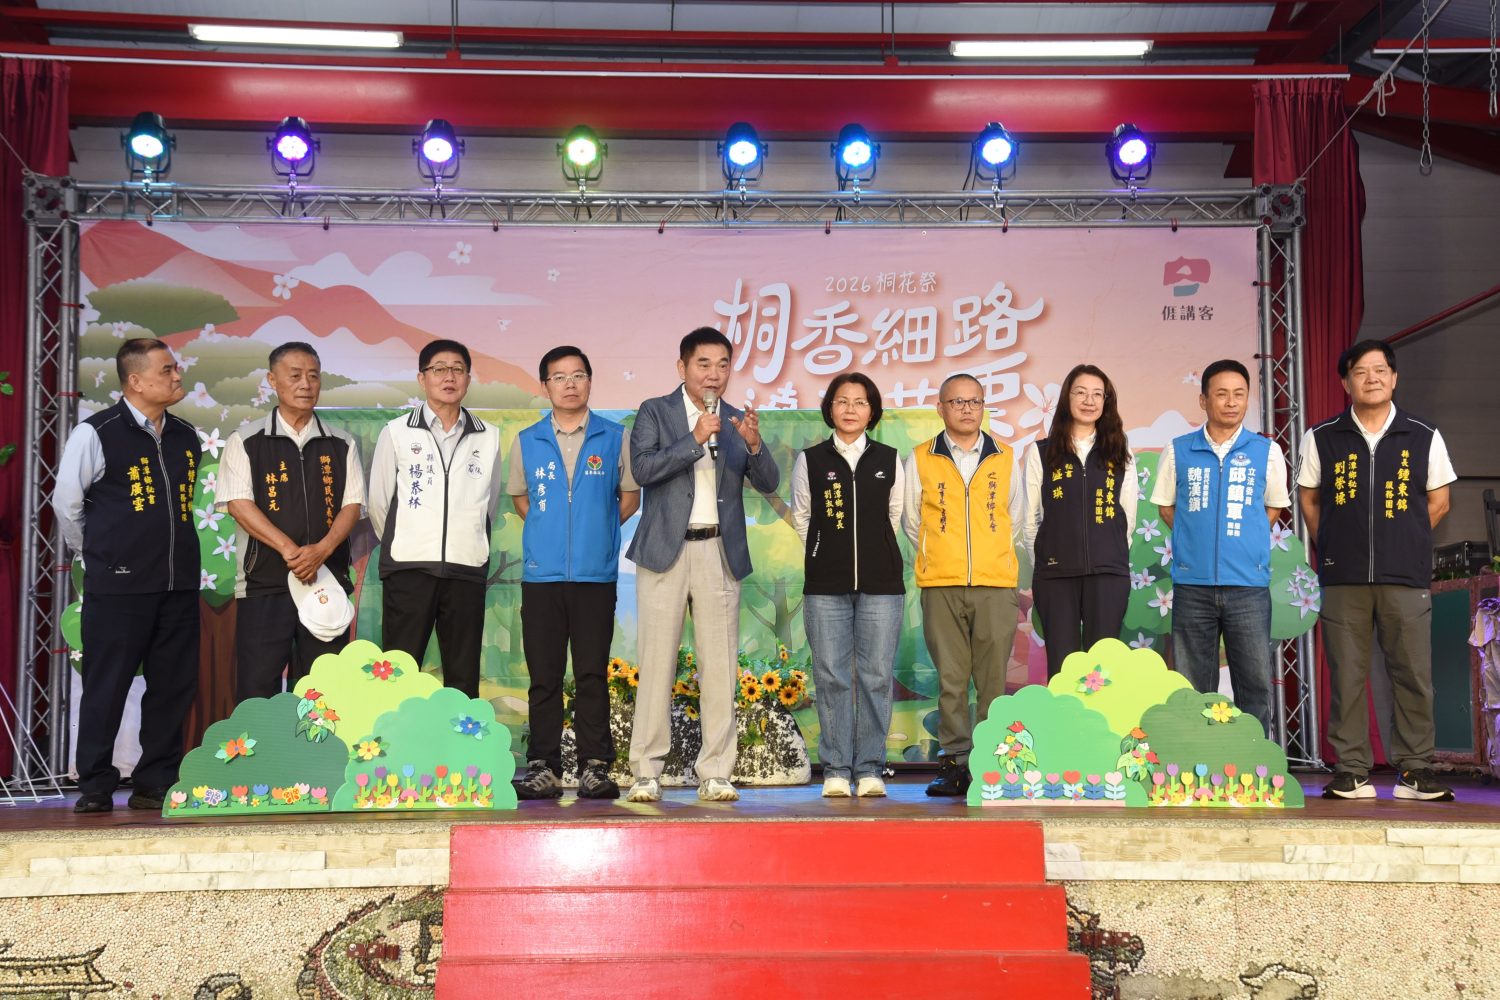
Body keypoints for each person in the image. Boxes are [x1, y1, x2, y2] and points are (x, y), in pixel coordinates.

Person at [624, 328, 780, 803]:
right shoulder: (655, 411)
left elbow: (769, 481)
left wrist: (754, 446)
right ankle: (646, 770)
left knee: (719, 667)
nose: (714, 374)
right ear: (683, 367)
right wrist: (694, 439)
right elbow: (644, 470)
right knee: (656, 664)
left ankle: (715, 771)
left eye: (723, 365)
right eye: (703, 364)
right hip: (664, 553)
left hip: (718, 552)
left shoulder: (735, 419)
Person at [1298, 340, 1457, 802]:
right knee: (1346, 676)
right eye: (1361, 371)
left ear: (1394, 378)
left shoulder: (1423, 435)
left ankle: (1416, 770)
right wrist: (1332, 543)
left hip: (1404, 577)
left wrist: (1403, 540)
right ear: (1345, 382)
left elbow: (1439, 501)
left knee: (1412, 674)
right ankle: (1351, 770)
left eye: (1381, 370)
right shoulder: (1322, 436)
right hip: (1343, 577)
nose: (1372, 378)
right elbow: (1309, 498)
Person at [53, 338, 201, 813]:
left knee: (171, 687)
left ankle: (155, 781)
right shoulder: (96, 433)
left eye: (176, 368)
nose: (177, 376)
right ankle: (96, 784)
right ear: (135, 381)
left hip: (177, 583)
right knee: (107, 684)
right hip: (118, 585)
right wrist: (98, 554)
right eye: (167, 370)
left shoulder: (185, 435)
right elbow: (67, 506)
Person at [507, 346, 640, 801]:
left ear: (590, 382)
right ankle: (543, 766)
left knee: (591, 674)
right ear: (545, 385)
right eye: (559, 377)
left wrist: (595, 531)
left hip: (594, 577)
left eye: (578, 375)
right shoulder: (527, 440)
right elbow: (522, 499)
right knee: (544, 676)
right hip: (542, 578)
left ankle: (594, 767)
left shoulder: (614, 436)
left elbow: (628, 497)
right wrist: (552, 535)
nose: (569, 384)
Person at [1150, 359, 1291, 735]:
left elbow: (1273, 507)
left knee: (1254, 683)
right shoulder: (1178, 450)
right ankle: (1195, 759)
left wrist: (1241, 541)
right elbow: (1166, 507)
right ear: (1203, 400)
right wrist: (1195, 541)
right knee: (1192, 686)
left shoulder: (1266, 451)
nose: (1231, 402)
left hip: (1248, 586)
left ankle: (1255, 757)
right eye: (1222, 394)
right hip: (1192, 585)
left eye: (1239, 394)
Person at [217, 342, 365, 701]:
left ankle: (315, 743)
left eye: (313, 376)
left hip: (326, 582)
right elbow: (238, 504)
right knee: (258, 687)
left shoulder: (341, 443)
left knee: (322, 688)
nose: (306, 384)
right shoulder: (246, 441)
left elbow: (352, 504)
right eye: (295, 375)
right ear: (272, 380)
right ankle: (261, 742)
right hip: (264, 583)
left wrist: (321, 551)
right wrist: (291, 551)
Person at [902, 373, 1024, 798]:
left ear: (983, 406)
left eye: (975, 401)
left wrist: (989, 556)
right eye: (957, 402)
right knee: (951, 680)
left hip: (995, 585)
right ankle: (953, 764)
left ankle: (991, 762)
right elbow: (912, 521)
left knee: (992, 681)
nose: (967, 409)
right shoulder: (921, 457)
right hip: (941, 584)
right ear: (941, 408)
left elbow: (1015, 518)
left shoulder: (1006, 457)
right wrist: (941, 555)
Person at [790, 372, 905, 798]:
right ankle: (836, 768)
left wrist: (873, 552)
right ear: (830, 409)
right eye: (842, 401)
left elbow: (895, 516)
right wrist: (825, 551)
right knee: (832, 676)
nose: (851, 409)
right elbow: (803, 517)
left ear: (872, 411)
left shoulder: (889, 459)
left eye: (859, 402)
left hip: (881, 584)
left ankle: (870, 767)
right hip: (825, 585)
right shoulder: (811, 460)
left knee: (876, 676)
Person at [368, 339, 502, 698]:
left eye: (458, 369)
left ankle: (461, 737)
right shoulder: (397, 432)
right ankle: (394, 735)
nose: (449, 377)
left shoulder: (488, 436)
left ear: (468, 378)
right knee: (399, 670)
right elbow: (379, 503)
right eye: (439, 369)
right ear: (422, 378)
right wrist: (406, 541)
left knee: (463, 674)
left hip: (465, 569)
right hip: (409, 569)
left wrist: (467, 538)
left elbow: (488, 504)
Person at [1023, 364, 1138, 677]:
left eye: (1098, 394)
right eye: (1081, 393)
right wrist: (1047, 561)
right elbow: (1030, 520)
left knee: (1104, 667)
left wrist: (1110, 553)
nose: (1089, 401)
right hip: (1056, 576)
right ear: (1067, 398)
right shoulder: (1042, 452)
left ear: (1106, 402)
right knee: (1064, 666)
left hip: (1108, 574)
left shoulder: (1119, 451)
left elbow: (1127, 516)